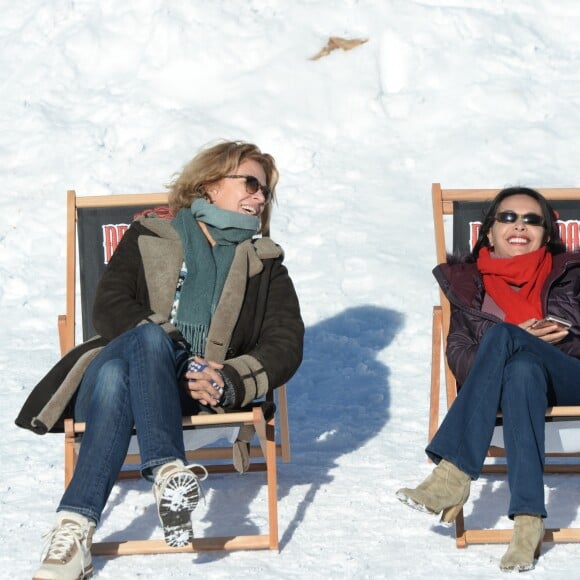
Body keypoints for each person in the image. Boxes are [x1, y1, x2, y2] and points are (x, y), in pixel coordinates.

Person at [16, 140, 305, 580]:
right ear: (210, 184)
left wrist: (227, 379)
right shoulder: (151, 236)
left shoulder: (265, 265)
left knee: (117, 377)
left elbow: (285, 344)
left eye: (265, 191)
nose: (260, 197)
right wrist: (180, 356)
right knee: (145, 340)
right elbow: (110, 305)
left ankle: (74, 531)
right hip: (137, 374)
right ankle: (168, 469)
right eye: (250, 183)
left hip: (198, 394)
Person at [396, 186, 580, 573]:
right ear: (490, 231)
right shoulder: (467, 287)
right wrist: (520, 341)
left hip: (569, 377)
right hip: (510, 387)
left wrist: (533, 339)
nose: (520, 226)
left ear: (547, 234)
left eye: (533, 220)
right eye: (508, 217)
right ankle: (529, 521)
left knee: (505, 337)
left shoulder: (570, 274)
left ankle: (454, 472)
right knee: (520, 369)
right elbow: (459, 357)